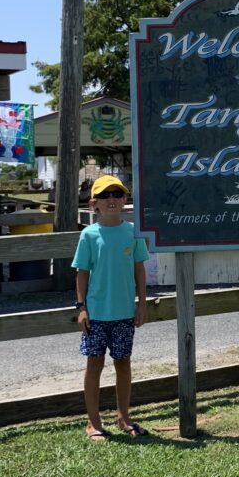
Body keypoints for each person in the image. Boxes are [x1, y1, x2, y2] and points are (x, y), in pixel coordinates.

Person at [72, 174, 150, 441]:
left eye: (117, 194)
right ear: (94, 203)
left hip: (125, 313)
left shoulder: (133, 232)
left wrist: (142, 303)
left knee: (123, 364)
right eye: (105, 196)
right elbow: (82, 272)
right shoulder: (89, 235)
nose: (111, 200)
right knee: (94, 364)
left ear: (125, 200)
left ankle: (123, 417)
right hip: (96, 315)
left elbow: (140, 269)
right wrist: (81, 307)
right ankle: (93, 422)